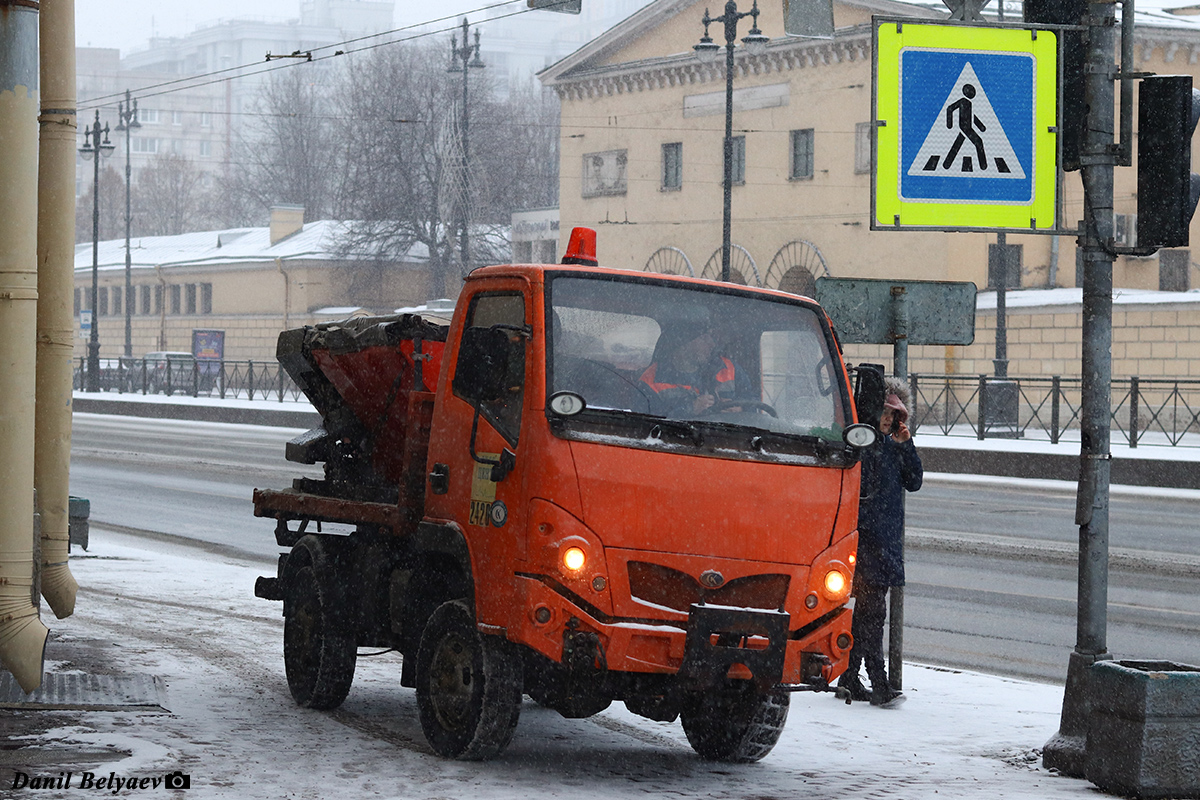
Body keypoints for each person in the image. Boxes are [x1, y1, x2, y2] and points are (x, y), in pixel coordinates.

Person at [838, 378, 923, 708]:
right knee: (872, 615)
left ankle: (849, 679)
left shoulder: (895, 446)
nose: (888, 419)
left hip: (884, 541)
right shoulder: (863, 443)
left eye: (894, 414)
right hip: (864, 540)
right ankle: (879, 683)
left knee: (865, 616)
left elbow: (914, 481)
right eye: (885, 412)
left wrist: (907, 445)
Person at [639, 322, 737, 417]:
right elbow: (646, 423)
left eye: (711, 339)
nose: (712, 345)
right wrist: (690, 409)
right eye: (704, 339)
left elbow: (751, 404)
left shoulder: (727, 367)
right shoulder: (651, 381)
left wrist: (739, 409)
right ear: (683, 343)